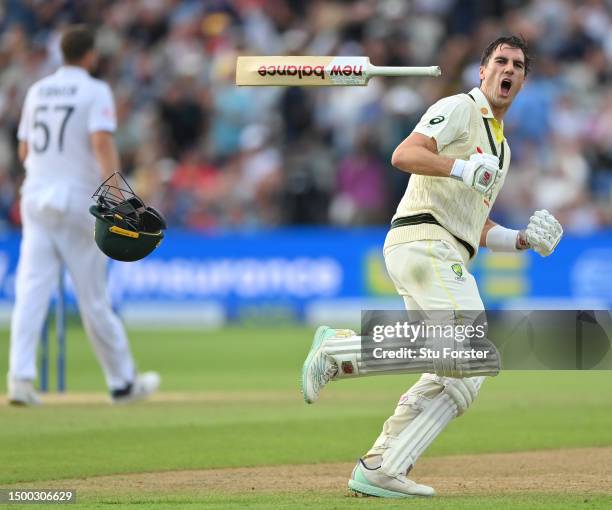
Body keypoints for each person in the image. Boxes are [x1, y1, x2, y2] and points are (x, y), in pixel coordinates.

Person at [301, 35, 563, 497]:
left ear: (523, 81)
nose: (508, 70)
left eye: (518, 65)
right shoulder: (461, 107)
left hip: (446, 247)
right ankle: (341, 352)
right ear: (482, 71)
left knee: (460, 374)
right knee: (472, 348)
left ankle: (382, 465)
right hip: (423, 240)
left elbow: (475, 225)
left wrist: (521, 240)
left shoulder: (502, 149)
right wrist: (461, 168)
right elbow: (404, 154)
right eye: (500, 61)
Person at [7, 25, 160, 405]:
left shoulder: (37, 90)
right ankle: (123, 382)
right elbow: (101, 141)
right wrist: (120, 197)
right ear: (90, 56)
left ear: (61, 53)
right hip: (78, 198)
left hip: (36, 196)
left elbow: (24, 151)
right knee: (93, 297)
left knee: (31, 290)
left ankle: (20, 381)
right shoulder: (95, 90)